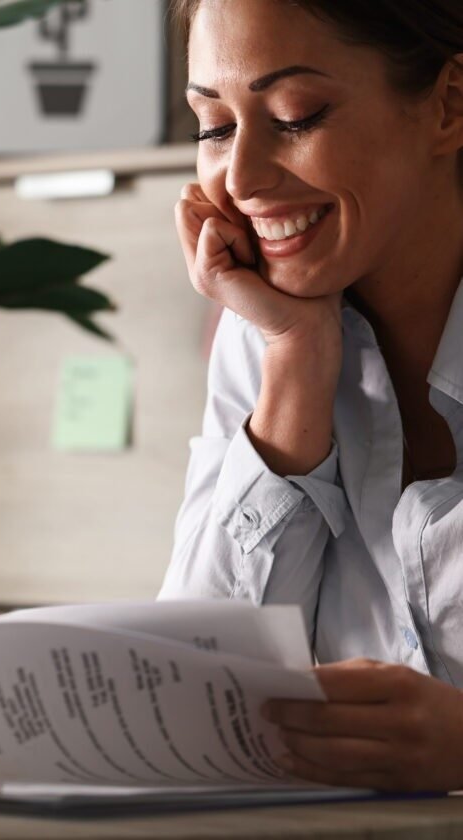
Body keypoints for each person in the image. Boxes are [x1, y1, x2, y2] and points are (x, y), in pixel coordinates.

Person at [158, 0, 463, 792]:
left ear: (448, 104)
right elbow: (188, 698)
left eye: (295, 115)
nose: (242, 179)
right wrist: (295, 361)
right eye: (214, 127)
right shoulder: (260, 333)